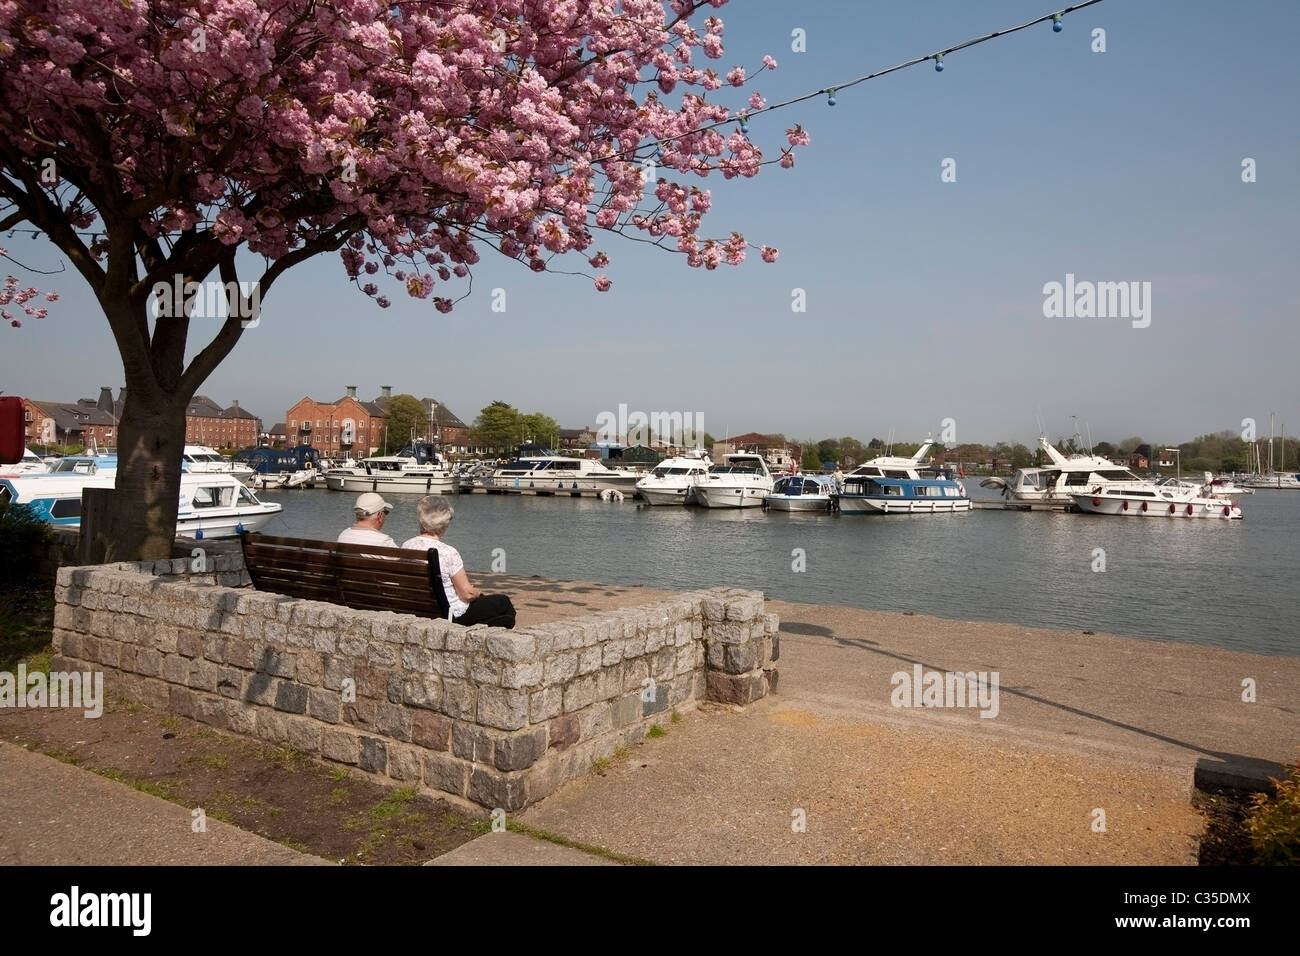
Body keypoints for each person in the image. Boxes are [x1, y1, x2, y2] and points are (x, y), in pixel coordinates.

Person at [401, 495, 516, 628]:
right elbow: (467, 594)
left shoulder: (407, 545)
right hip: (450, 614)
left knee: (495, 611)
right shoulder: (447, 552)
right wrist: (477, 592)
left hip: (422, 608)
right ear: (444, 524)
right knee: (503, 603)